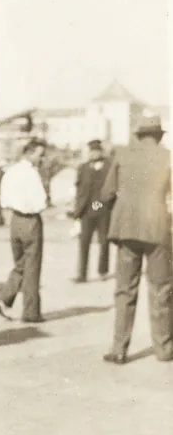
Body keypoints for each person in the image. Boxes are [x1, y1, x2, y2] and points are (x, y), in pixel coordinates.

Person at [101, 115, 173, 364]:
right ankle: (164, 349)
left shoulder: (122, 154)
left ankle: (119, 349)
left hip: (127, 229)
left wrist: (106, 208)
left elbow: (106, 194)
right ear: (158, 135)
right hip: (158, 230)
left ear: (139, 135)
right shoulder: (167, 157)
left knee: (124, 290)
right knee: (161, 289)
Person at [0, 139, 48, 323]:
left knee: (21, 264)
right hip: (31, 221)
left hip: (14, 221)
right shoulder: (32, 174)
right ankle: (31, 312)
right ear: (30, 152)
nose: (42, 158)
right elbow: (41, 201)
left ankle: (4, 299)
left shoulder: (10, 171)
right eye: (40, 154)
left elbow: (3, 198)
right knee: (32, 267)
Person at [72, 139, 113, 282]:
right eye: (91, 151)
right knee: (84, 242)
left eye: (96, 151)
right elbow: (79, 190)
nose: (93, 154)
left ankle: (103, 271)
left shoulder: (109, 166)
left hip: (103, 210)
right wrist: (76, 211)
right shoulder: (83, 168)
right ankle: (82, 274)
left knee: (104, 242)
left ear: (101, 152)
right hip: (87, 210)